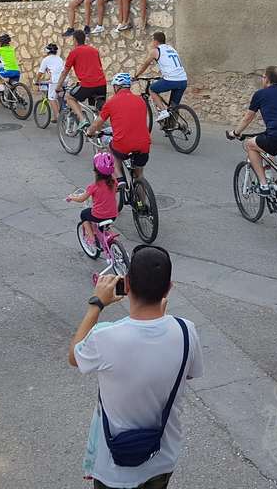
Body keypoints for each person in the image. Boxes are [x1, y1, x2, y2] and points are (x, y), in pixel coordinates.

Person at [70, 246, 203, 489]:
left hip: (114, 467)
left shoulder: (104, 337)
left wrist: (96, 304)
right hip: (161, 457)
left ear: (127, 285)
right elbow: (190, 373)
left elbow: (74, 356)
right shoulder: (187, 331)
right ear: (169, 288)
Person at [227, 66, 277, 195]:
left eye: (263, 76)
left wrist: (235, 133)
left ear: (267, 79)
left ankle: (264, 185)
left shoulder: (260, 94)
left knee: (250, 144)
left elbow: (248, 118)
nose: (262, 79)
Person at [87, 73, 151, 190]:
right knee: (139, 175)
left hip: (123, 144)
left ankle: (120, 179)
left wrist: (89, 132)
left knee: (111, 151)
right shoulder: (141, 101)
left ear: (117, 86)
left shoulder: (111, 102)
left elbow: (97, 123)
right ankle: (142, 197)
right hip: (144, 144)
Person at [56, 30, 108, 126]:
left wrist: (58, 86)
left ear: (75, 40)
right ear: (84, 39)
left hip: (87, 84)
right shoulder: (94, 50)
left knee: (69, 98)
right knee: (98, 109)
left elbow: (65, 72)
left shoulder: (74, 52)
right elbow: (99, 67)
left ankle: (83, 120)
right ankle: (99, 131)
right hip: (102, 84)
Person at [67, 154, 118, 248]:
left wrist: (72, 197)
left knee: (84, 214)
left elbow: (81, 199)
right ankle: (112, 238)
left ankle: (91, 238)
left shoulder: (94, 186)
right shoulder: (114, 182)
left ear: (95, 172)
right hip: (113, 214)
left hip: (98, 216)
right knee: (104, 225)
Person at [135, 32, 187, 123]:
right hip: (183, 80)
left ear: (155, 41)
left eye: (152, 41)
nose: (152, 43)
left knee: (152, 89)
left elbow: (145, 65)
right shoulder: (172, 49)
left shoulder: (155, 51)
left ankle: (163, 111)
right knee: (173, 106)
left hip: (171, 80)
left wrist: (136, 75)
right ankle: (173, 125)